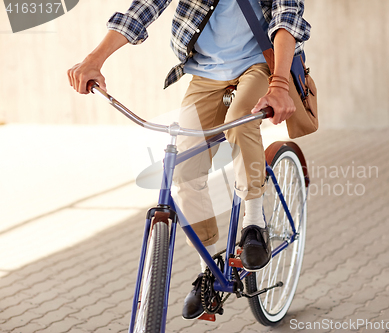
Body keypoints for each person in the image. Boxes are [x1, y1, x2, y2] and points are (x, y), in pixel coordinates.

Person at [68, 0, 310, 320]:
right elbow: (142, 9)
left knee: (241, 119)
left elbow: (287, 16)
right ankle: (208, 268)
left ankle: (254, 223)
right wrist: (94, 59)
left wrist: (279, 83)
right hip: (206, 72)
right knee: (182, 169)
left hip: (259, 65)